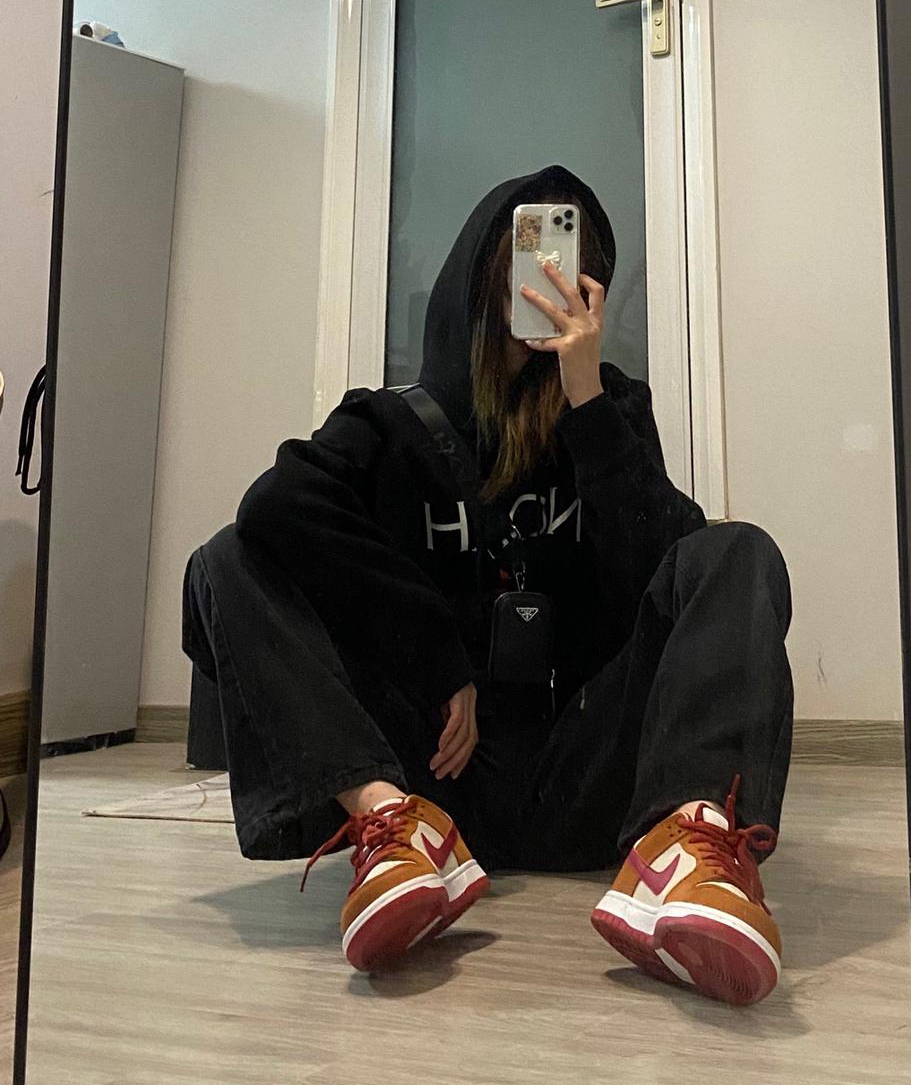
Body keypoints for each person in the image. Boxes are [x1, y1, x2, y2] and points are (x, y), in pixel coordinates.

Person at [182, 165, 794, 1005]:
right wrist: (437, 657)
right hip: (438, 773)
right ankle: (387, 826)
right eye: (527, 258)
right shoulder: (389, 423)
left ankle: (688, 850)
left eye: (568, 261)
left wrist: (587, 399)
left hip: (589, 769)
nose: (546, 279)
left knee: (737, 550)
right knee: (229, 557)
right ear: (481, 274)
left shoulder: (611, 409)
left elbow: (664, 568)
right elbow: (275, 508)